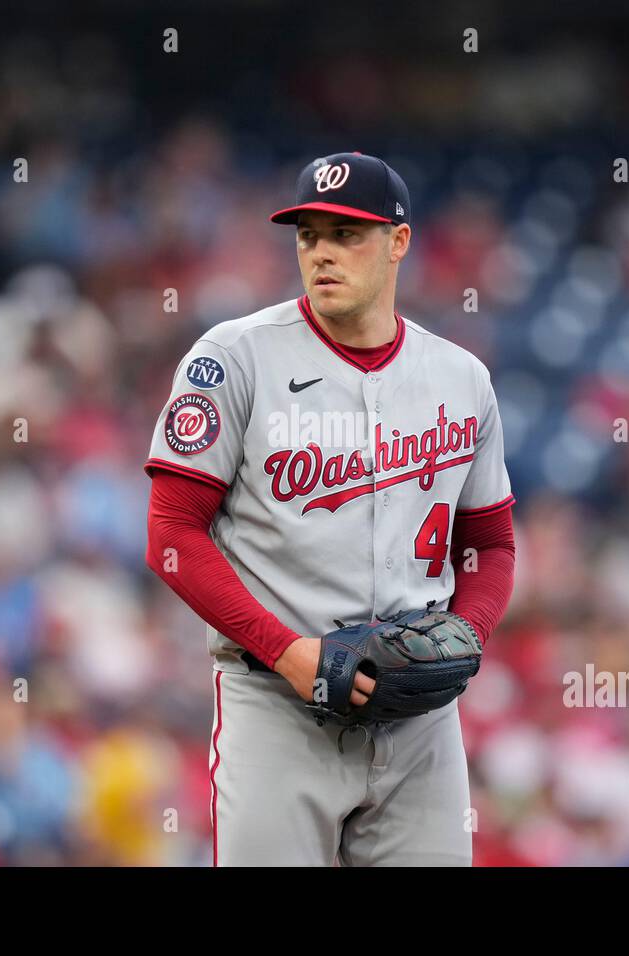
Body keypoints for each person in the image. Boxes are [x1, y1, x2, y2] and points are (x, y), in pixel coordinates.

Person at [144, 151, 516, 866]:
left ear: (399, 242)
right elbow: (171, 536)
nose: (323, 253)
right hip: (278, 708)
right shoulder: (234, 357)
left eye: (348, 235)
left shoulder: (461, 378)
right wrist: (289, 654)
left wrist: (466, 634)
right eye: (309, 234)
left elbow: (491, 544)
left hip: (420, 720)